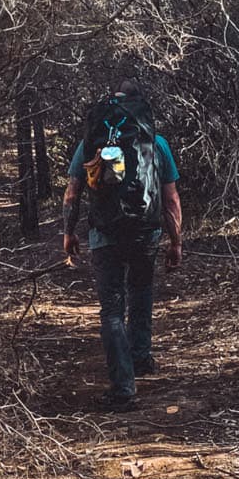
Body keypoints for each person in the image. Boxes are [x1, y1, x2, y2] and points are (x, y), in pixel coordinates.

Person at [61, 80, 182, 411]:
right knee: (141, 292)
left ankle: (123, 387)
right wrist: (176, 242)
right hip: (146, 232)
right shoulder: (156, 142)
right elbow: (171, 199)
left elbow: (72, 192)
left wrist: (69, 233)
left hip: (105, 234)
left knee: (112, 309)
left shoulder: (91, 141)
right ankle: (141, 358)